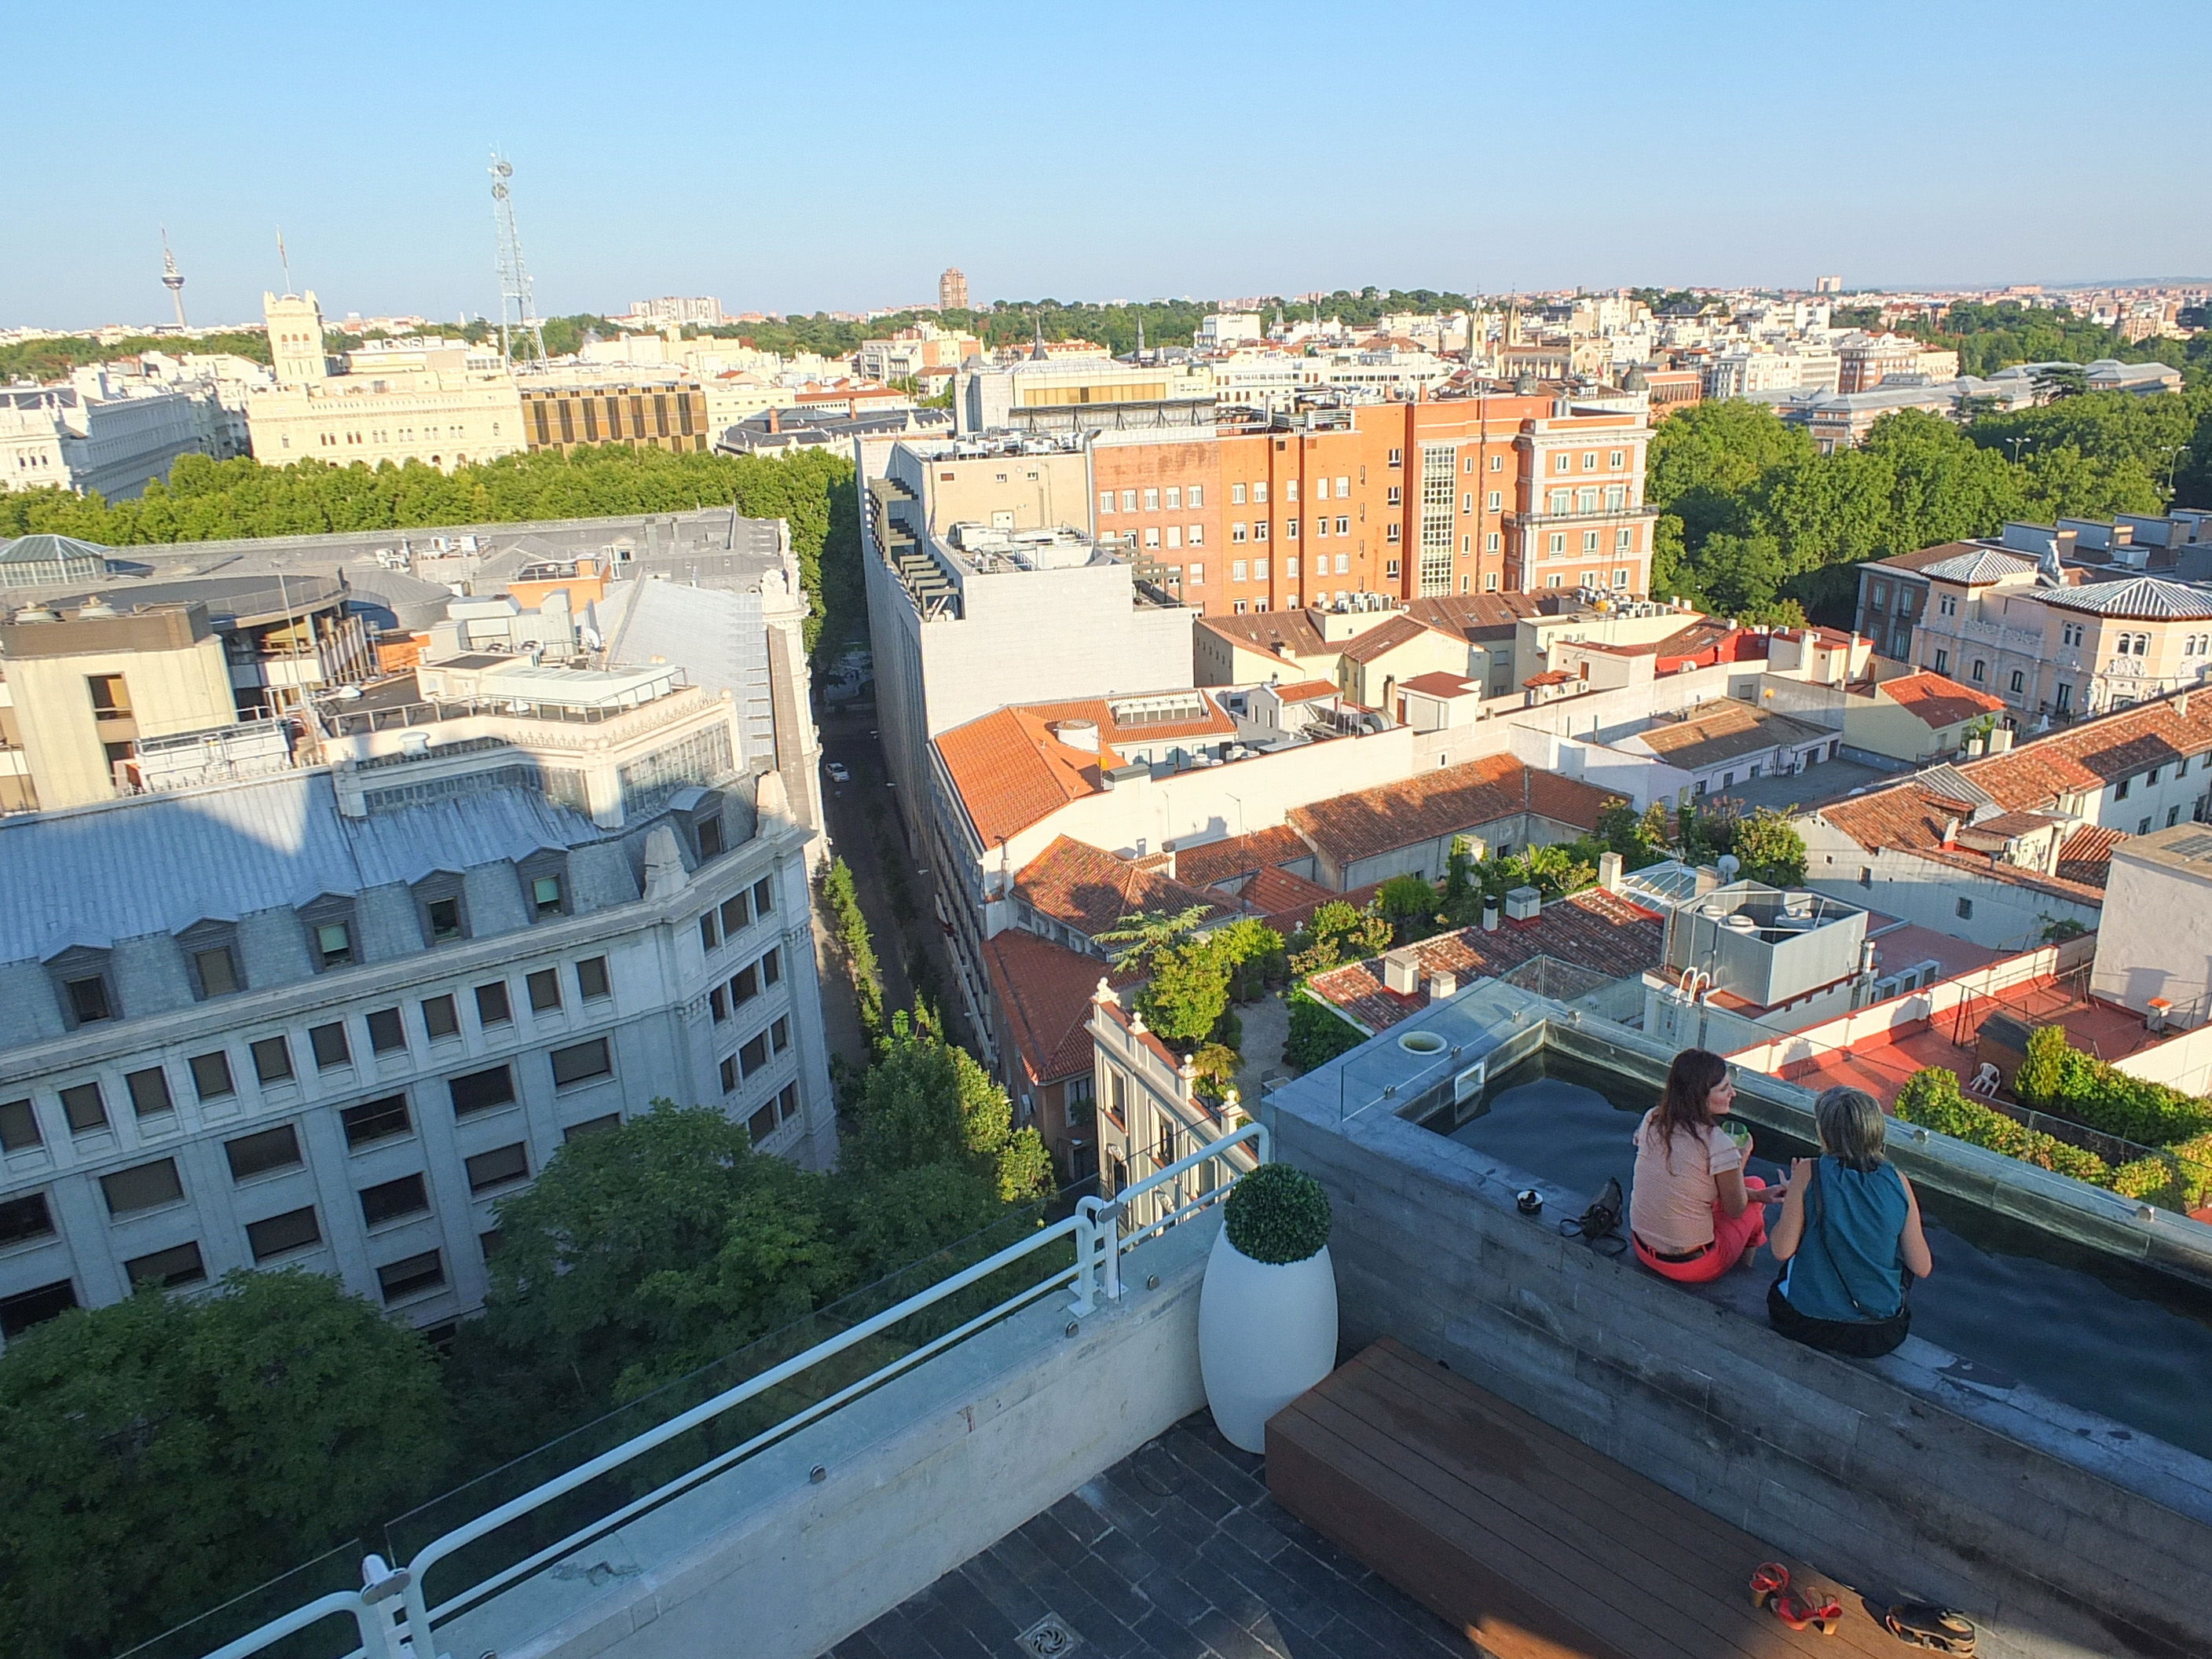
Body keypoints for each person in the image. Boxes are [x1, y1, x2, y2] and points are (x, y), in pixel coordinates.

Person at [1767, 1086, 1933, 1358]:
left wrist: (1796, 1197)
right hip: (1879, 1334)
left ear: (1824, 1132)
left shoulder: (1809, 1172)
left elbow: (1781, 1250)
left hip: (1806, 1323)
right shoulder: (1898, 1181)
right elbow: (1922, 1266)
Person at [1630, 1048, 1787, 1284]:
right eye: (1724, 1089)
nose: (1733, 1094)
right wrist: (1740, 1158)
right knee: (1754, 1193)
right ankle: (1742, 1278)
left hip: (1642, 1248)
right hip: (1692, 1266)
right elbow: (1736, 1209)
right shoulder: (1718, 1143)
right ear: (1699, 1096)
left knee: (1750, 1190)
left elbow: (1686, 1182)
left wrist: (1758, 1195)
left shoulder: (1653, 1119)